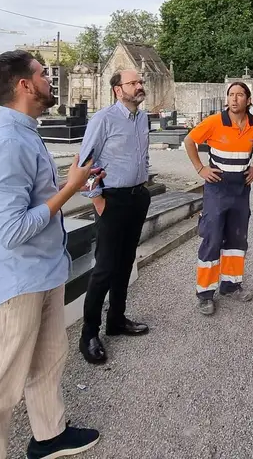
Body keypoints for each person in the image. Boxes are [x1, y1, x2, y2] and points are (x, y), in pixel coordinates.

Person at [0, 50, 100, 459]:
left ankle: (50, 434)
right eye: (42, 74)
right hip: (13, 280)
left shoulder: (23, 130)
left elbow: (34, 197)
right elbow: (11, 230)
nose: (49, 80)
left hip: (41, 271)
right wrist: (70, 188)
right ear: (24, 85)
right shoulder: (5, 142)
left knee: (47, 361)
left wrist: (76, 182)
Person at [77, 67, 152, 365]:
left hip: (137, 197)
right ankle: (89, 333)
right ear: (118, 90)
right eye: (133, 82)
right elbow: (86, 163)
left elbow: (142, 155)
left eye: (141, 82)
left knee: (126, 261)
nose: (139, 86)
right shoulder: (103, 119)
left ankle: (117, 320)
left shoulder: (143, 118)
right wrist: (97, 201)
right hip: (112, 200)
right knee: (105, 267)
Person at [183, 81, 253, 315]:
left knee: (237, 239)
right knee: (212, 237)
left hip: (240, 188)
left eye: (240, 95)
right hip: (217, 186)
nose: (234, 99)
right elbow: (190, 141)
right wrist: (201, 169)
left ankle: (231, 285)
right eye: (231, 95)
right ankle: (205, 293)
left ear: (248, 100)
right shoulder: (214, 122)